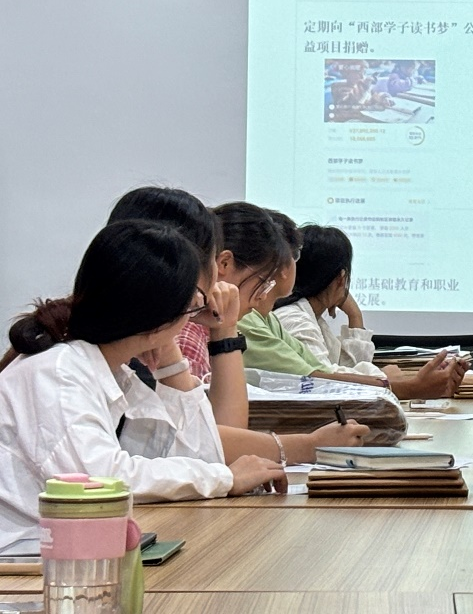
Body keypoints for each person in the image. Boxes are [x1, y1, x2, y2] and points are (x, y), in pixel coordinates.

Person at [0, 221, 287, 546]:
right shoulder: (58, 372)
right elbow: (102, 481)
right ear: (159, 317)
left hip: (58, 551)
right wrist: (224, 478)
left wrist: (172, 361)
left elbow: (199, 453)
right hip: (21, 561)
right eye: (195, 301)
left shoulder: (114, 371)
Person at [109, 188, 368, 460]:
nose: (211, 276)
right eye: (208, 260)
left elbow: (209, 434)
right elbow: (198, 448)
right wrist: (307, 446)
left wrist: (225, 330)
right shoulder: (166, 338)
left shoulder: (163, 341)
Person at [220, 204, 465, 400]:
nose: (264, 295)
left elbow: (322, 372)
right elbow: (314, 382)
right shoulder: (258, 318)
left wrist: (392, 382)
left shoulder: (265, 317)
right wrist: (401, 386)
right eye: (265, 283)